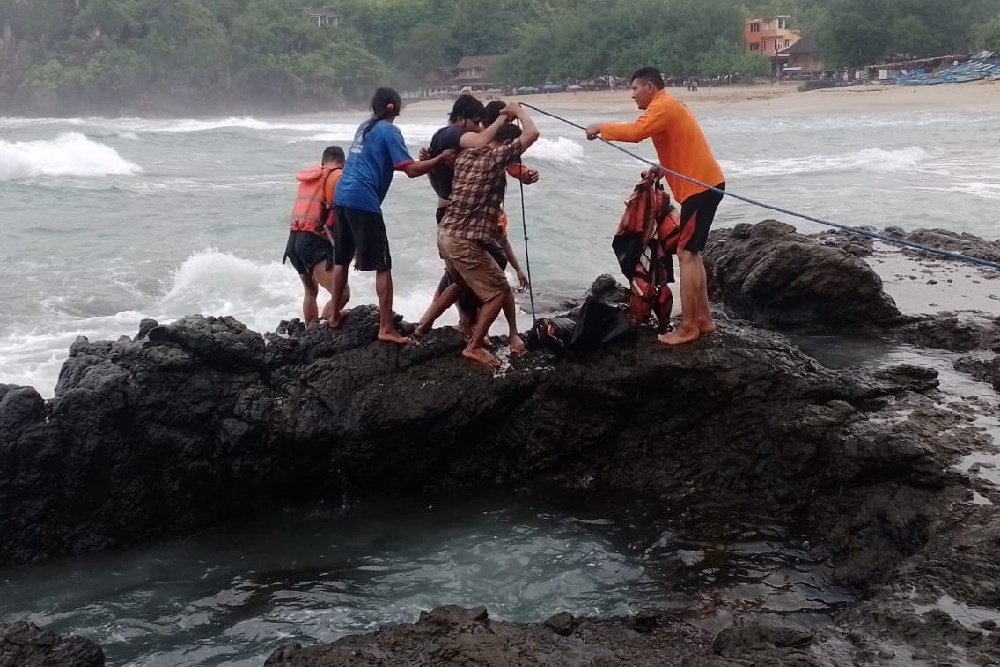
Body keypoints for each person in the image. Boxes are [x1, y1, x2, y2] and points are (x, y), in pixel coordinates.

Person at [585, 66, 725, 346]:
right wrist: (663, 168)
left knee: (686, 255)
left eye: (635, 88)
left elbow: (638, 132)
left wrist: (601, 127)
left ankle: (688, 327)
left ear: (649, 87)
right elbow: (681, 143)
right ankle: (704, 320)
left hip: (701, 188)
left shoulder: (663, 106)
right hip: (705, 185)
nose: (632, 95)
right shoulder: (669, 106)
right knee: (691, 254)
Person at [329, 87, 455, 344]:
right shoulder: (389, 130)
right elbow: (410, 170)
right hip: (364, 200)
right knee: (383, 265)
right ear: (392, 107)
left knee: (341, 259)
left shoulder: (364, 126)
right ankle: (385, 327)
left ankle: (333, 315)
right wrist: (441, 159)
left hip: (341, 197)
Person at [424, 103, 540, 367]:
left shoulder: (466, 155)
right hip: (464, 240)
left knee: (460, 284)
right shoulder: (495, 157)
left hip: (447, 233)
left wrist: (525, 174)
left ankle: (424, 328)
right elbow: (531, 134)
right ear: (506, 145)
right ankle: (474, 345)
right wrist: (518, 112)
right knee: (499, 289)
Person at [283, 145, 350, 324]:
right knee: (341, 293)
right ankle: (323, 329)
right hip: (312, 242)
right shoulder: (336, 177)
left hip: (293, 241)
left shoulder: (310, 178)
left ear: (322, 162)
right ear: (342, 163)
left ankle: (310, 332)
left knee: (310, 292)